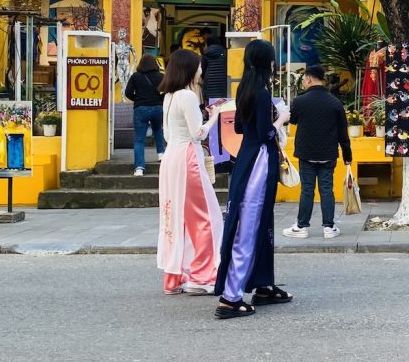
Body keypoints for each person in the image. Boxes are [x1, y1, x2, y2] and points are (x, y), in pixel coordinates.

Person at [214, 39, 292, 319]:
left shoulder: (244, 89)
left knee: (259, 223)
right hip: (259, 162)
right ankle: (230, 297)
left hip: (246, 159)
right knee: (249, 225)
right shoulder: (261, 93)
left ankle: (263, 284)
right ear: (266, 62)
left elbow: (239, 127)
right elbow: (265, 134)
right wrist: (281, 118)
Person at [156, 49, 223, 295]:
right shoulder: (187, 96)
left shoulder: (169, 96)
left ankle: (174, 277)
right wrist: (214, 117)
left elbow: (167, 133)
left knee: (175, 218)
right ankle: (202, 276)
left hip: (171, 157)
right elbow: (198, 134)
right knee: (207, 217)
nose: (201, 70)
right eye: (199, 66)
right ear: (189, 69)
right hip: (188, 158)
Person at [282, 64, 352, 240]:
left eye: (304, 79)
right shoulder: (335, 102)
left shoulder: (300, 101)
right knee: (326, 189)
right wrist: (347, 156)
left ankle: (301, 226)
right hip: (328, 153)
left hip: (306, 153)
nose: (303, 82)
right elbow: (343, 132)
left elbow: (293, 120)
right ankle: (329, 227)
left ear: (309, 79)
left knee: (307, 190)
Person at [125, 53, 166, 176]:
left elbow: (127, 93)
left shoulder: (135, 77)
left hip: (141, 109)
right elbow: (167, 91)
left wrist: (137, 99)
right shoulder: (161, 76)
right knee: (158, 130)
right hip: (157, 108)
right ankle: (161, 155)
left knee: (139, 139)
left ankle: (139, 168)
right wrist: (159, 100)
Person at [202, 35, 228, 102]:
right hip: (222, 83)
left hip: (209, 84)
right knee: (222, 104)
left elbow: (203, 69)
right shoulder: (225, 52)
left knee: (211, 105)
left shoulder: (206, 53)